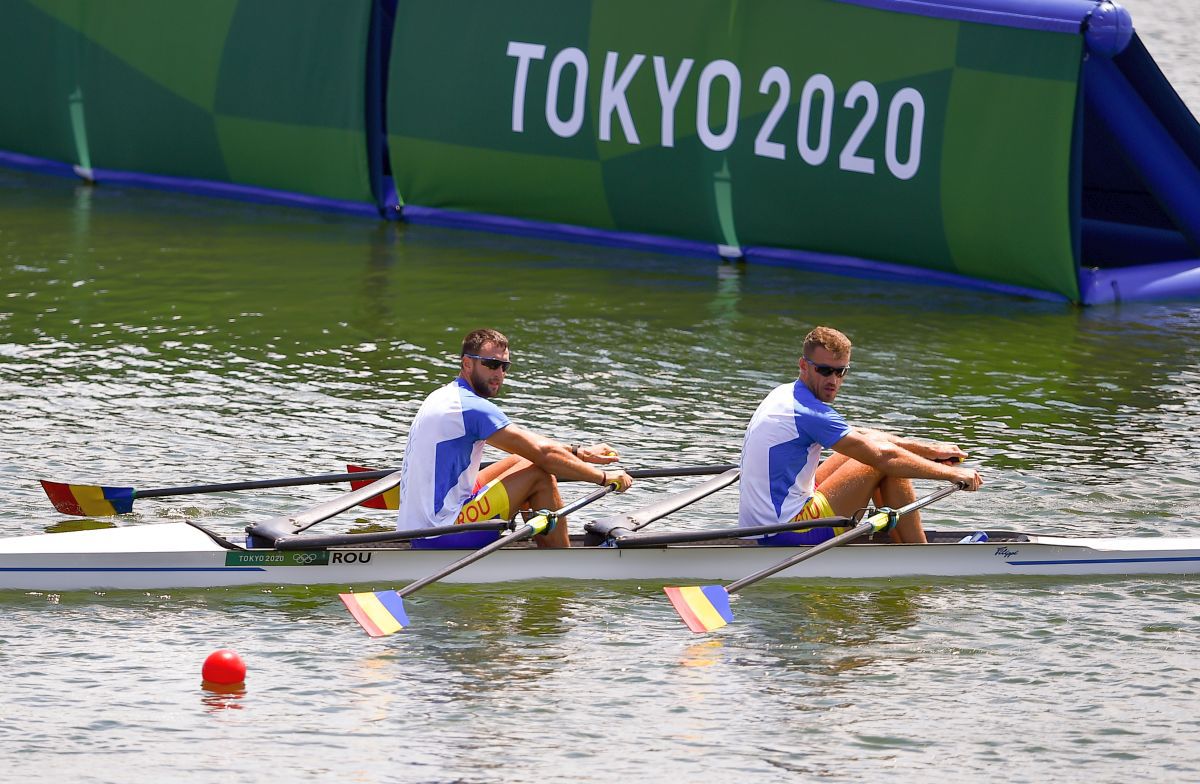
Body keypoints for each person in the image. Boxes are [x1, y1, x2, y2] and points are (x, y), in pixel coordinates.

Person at [739, 325, 982, 544]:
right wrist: (952, 474)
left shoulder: (786, 394)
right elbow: (883, 456)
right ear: (804, 366)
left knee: (878, 450)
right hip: (785, 531)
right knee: (881, 463)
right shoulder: (810, 412)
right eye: (824, 371)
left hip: (760, 525)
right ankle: (922, 557)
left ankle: (905, 543)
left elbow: (864, 436)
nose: (833, 380)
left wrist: (930, 451)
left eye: (840, 372)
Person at [397, 328, 633, 548]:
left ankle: (542, 541)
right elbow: (544, 455)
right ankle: (562, 564)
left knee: (523, 461)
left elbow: (528, 448)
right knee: (540, 472)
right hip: (438, 535)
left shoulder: (444, 395)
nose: (499, 374)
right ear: (467, 363)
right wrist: (603, 478)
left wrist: (580, 453)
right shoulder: (473, 408)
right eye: (491, 364)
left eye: (504, 366)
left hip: (415, 527)